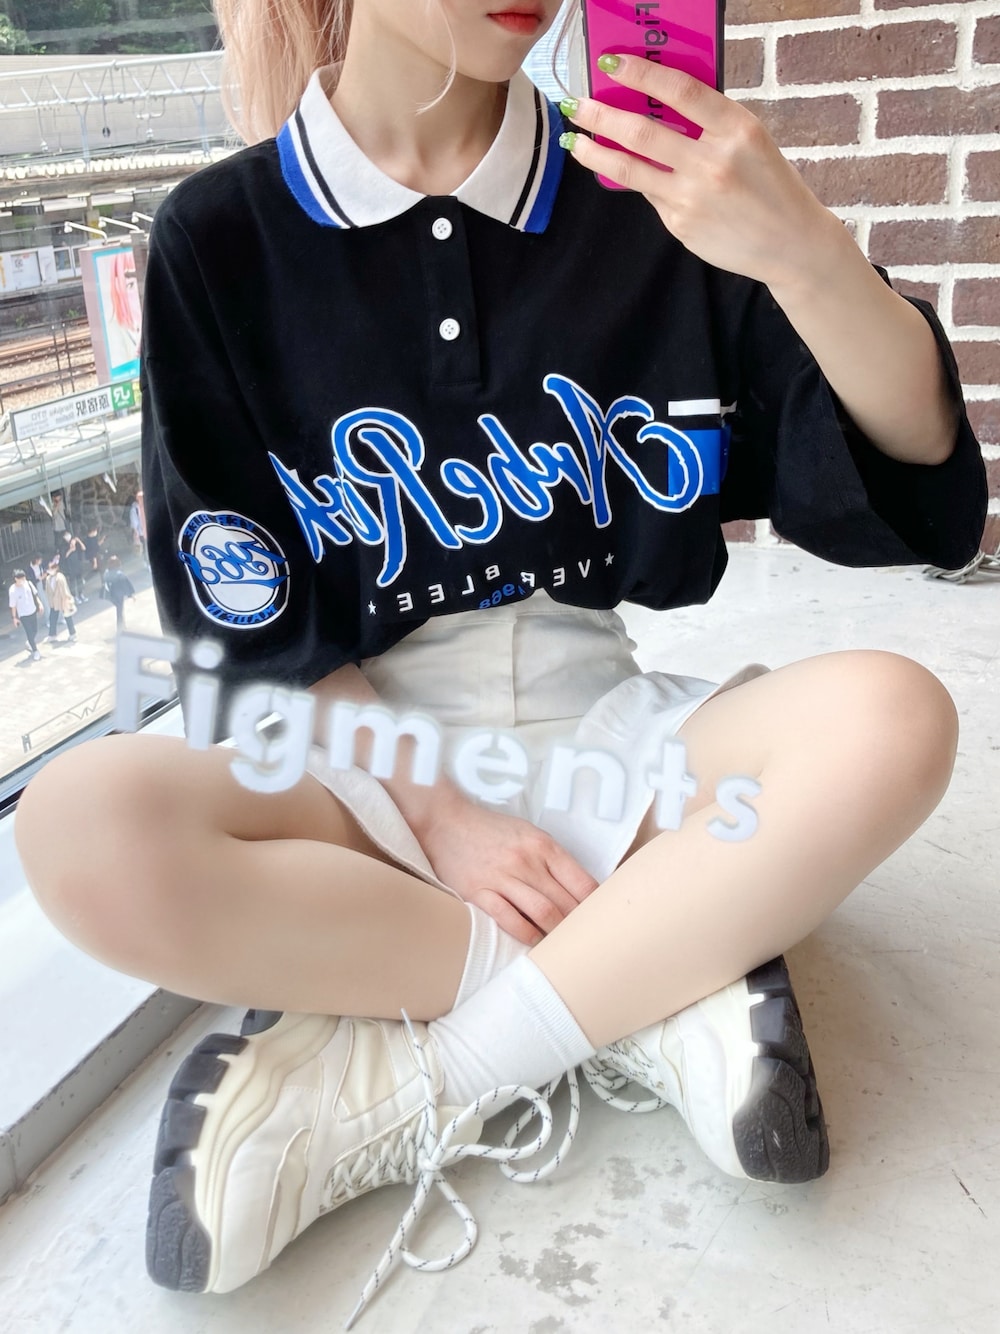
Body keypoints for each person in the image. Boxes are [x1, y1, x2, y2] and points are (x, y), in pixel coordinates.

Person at [14, 0, 987, 1326]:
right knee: (79, 824)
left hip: (612, 737)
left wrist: (805, 251)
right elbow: (240, 611)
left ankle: (428, 1075)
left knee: (894, 717)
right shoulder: (218, 237)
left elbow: (920, 494)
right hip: (364, 759)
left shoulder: (644, 196)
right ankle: (655, 983)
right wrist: (438, 807)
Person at [8, 568, 43, 661]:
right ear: (16, 579)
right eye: (21, 579)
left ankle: (30, 642)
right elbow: (13, 605)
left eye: (24, 578)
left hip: (32, 611)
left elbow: (35, 595)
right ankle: (35, 650)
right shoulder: (13, 590)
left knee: (35, 630)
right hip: (23, 615)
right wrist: (14, 617)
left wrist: (40, 604)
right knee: (29, 632)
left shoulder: (28, 584)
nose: (23, 580)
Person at [43, 559, 78, 644]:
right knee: (52, 618)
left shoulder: (60, 577)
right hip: (54, 602)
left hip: (62, 600)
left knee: (67, 617)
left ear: (56, 568)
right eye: (49, 568)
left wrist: (66, 600)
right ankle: (52, 635)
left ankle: (73, 634)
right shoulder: (48, 579)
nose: (50, 570)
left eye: (51, 568)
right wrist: (50, 601)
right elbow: (48, 591)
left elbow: (64, 590)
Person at [101, 554, 135, 631]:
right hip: (119, 595)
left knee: (119, 609)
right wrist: (130, 595)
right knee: (120, 610)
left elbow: (105, 583)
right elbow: (125, 585)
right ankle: (121, 627)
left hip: (111, 595)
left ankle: (122, 625)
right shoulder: (120, 574)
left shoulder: (106, 573)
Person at [58, 529, 88, 602]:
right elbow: (64, 556)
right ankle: (74, 596)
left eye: (68, 534)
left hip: (77, 564)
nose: (68, 536)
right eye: (66, 535)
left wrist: (78, 541)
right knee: (72, 582)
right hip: (70, 566)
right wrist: (71, 549)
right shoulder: (63, 545)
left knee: (79, 580)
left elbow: (84, 548)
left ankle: (81, 594)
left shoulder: (75, 543)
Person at [128, 491, 147, 567]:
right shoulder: (135, 509)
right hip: (141, 533)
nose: (142, 499)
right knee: (145, 548)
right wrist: (136, 533)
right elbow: (134, 521)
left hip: (148, 532)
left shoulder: (146, 506)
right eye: (140, 498)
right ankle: (146, 562)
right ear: (137, 498)